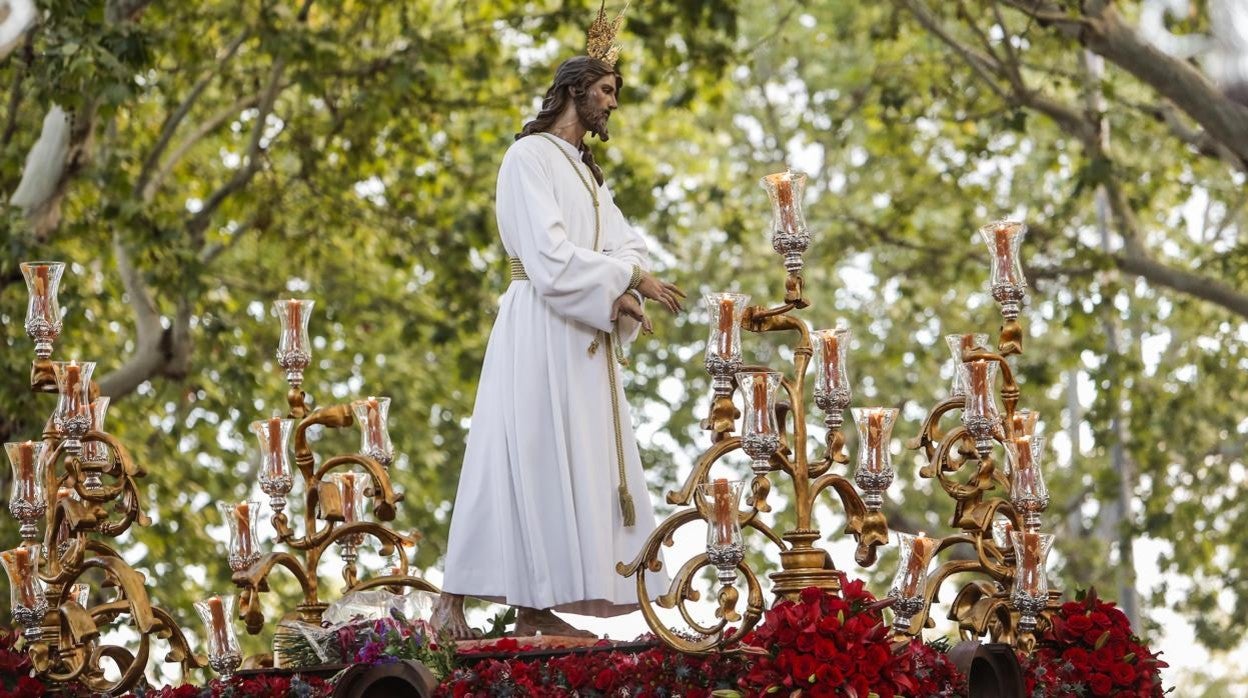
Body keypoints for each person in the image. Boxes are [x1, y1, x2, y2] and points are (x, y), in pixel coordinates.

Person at [431, 38, 684, 639]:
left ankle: (536, 607)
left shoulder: (591, 179)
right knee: (525, 456)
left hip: (583, 342)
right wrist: (625, 280)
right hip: (540, 328)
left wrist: (624, 284)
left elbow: (627, 245)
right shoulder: (528, 158)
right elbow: (547, 256)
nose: (613, 104)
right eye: (606, 91)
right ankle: (452, 602)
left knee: (568, 465)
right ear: (575, 90)